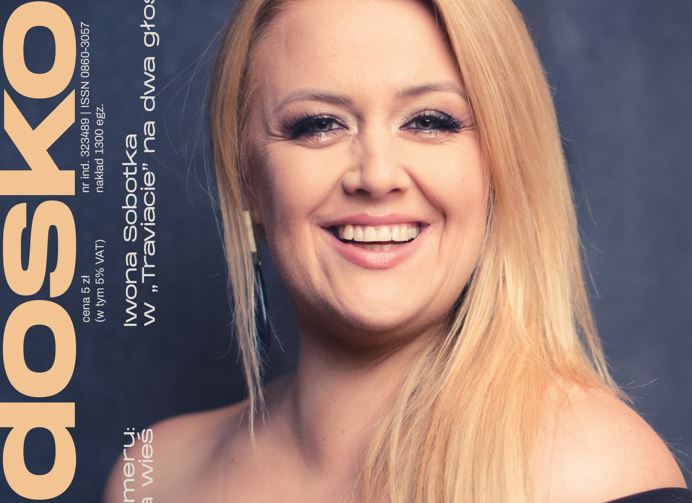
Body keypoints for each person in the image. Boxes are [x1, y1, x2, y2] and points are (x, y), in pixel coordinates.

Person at [104, 0, 690, 501]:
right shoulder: (155, 476)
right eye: (319, 124)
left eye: (430, 121)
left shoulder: (595, 474)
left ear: (500, 164)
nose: (377, 175)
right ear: (248, 177)